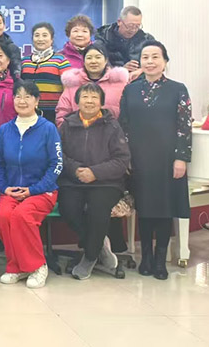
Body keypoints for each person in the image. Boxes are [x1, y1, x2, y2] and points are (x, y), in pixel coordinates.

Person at [119, 40, 192, 281]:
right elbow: (123, 125)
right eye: (145, 57)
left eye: (155, 57)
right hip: (139, 158)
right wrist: (126, 157)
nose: (150, 62)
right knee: (145, 208)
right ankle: (146, 258)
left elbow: (184, 127)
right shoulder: (130, 90)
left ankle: (160, 259)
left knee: (164, 208)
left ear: (165, 62)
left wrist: (181, 158)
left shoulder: (178, 89)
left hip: (168, 159)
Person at [58, 83, 131, 280]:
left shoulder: (112, 126)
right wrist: (75, 170)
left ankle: (90, 257)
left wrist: (95, 172)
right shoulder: (67, 125)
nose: (89, 101)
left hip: (106, 182)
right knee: (68, 209)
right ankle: (100, 247)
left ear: (101, 102)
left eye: (94, 97)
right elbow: (58, 155)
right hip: (73, 180)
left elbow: (122, 160)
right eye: (85, 97)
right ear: (77, 101)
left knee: (98, 210)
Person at [0, 80, 62, 289]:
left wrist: (34, 190)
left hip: (42, 191)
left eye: (27, 97)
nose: (22, 101)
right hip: (12, 191)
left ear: (37, 101)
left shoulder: (48, 129)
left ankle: (38, 265)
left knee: (22, 216)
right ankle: (16, 266)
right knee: (5, 216)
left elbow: (57, 164)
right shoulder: (5, 130)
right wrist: (4, 187)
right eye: (18, 96)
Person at [56, 44, 129, 127]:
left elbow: (128, 113)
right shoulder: (73, 84)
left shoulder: (119, 83)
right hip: (78, 132)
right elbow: (62, 113)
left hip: (113, 132)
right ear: (83, 61)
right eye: (89, 58)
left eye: (98, 57)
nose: (93, 61)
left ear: (106, 60)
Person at [20, 22, 71, 122]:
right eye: (37, 35)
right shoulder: (25, 61)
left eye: (44, 35)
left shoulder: (61, 60)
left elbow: (68, 90)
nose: (40, 39)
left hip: (53, 114)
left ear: (51, 39)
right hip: (27, 112)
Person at [94, 6, 155, 79]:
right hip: (111, 80)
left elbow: (159, 61)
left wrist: (141, 70)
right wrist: (121, 71)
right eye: (130, 26)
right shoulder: (103, 37)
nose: (133, 30)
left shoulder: (146, 39)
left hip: (140, 80)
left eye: (137, 26)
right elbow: (97, 66)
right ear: (119, 22)